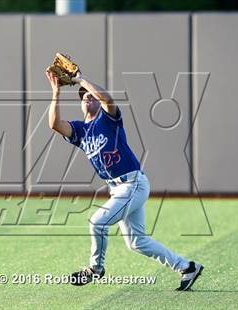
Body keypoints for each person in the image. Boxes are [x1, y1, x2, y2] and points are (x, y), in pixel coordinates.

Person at [45, 70, 204, 291]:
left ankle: (95, 269)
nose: (87, 97)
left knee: (97, 223)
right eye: (83, 96)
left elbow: (107, 99)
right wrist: (56, 92)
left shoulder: (109, 119)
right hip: (118, 189)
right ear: (80, 104)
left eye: (90, 94)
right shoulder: (80, 131)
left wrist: (81, 80)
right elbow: (54, 124)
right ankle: (187, 267)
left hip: (132, 184)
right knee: (137, 242)